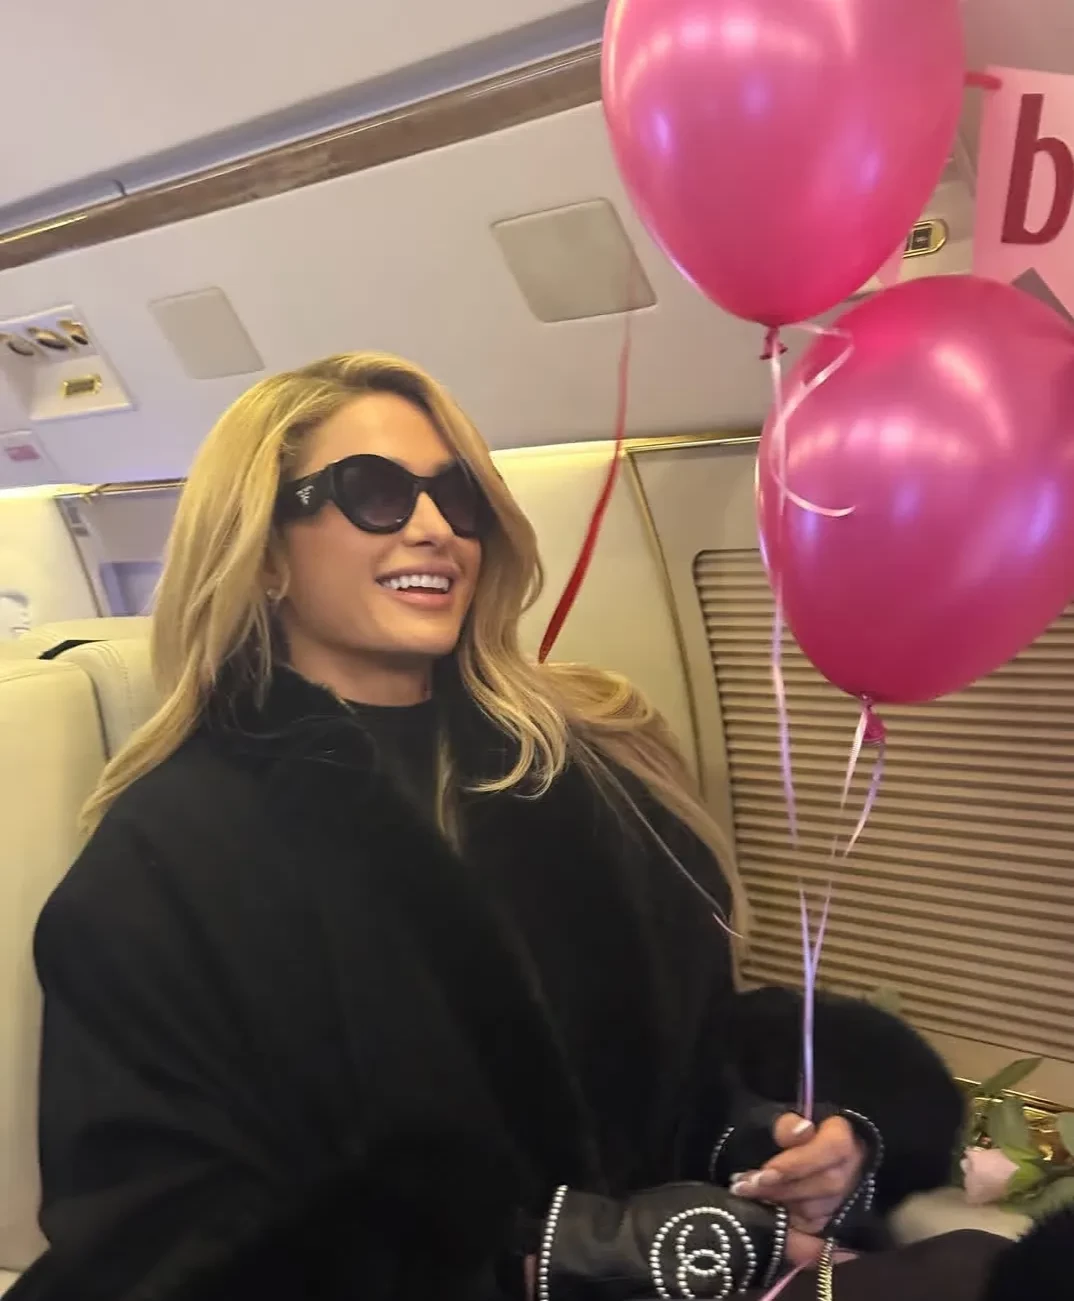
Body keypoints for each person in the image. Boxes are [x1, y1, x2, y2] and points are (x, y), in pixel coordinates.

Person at [7, 354, 1046, 1301]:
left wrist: (771, 1144)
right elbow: (162, 1245)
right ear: (265, 548)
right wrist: (551, 1254)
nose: (434, 526)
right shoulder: (167, 862)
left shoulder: (573, 779)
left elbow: (679, 1071)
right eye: (375, 491)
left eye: (455, 493)